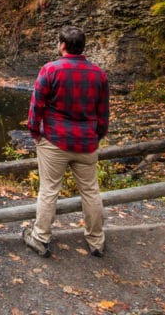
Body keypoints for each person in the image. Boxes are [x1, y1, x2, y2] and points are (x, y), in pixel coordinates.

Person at [23, 25, 109, 258]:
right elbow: (103, 112)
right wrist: (97, 135)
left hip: (55, 142)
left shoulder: (50, 70)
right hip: (86, 143)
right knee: (91, 191)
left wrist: (34, 132)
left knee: (49, 190)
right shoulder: (98, 74)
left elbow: (36, 104)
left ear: (62, 45)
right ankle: (96, 241)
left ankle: (40, 238)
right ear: (83, 47)